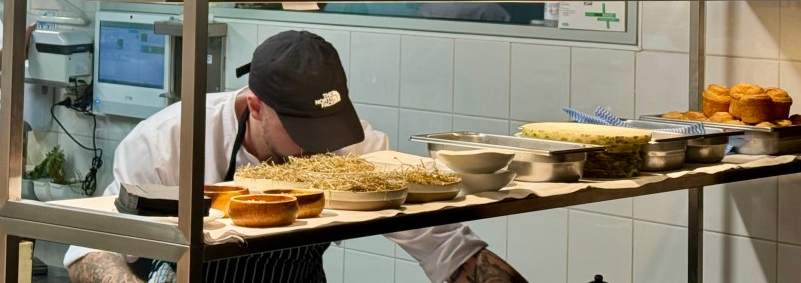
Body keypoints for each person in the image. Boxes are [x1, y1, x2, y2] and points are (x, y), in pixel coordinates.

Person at [64, 30, 529, 283]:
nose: (319, 147)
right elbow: (89, 250)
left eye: (328, 128)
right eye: (303, 131)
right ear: (255, 106)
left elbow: (447, 248)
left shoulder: (353, 147)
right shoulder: (172, 139)